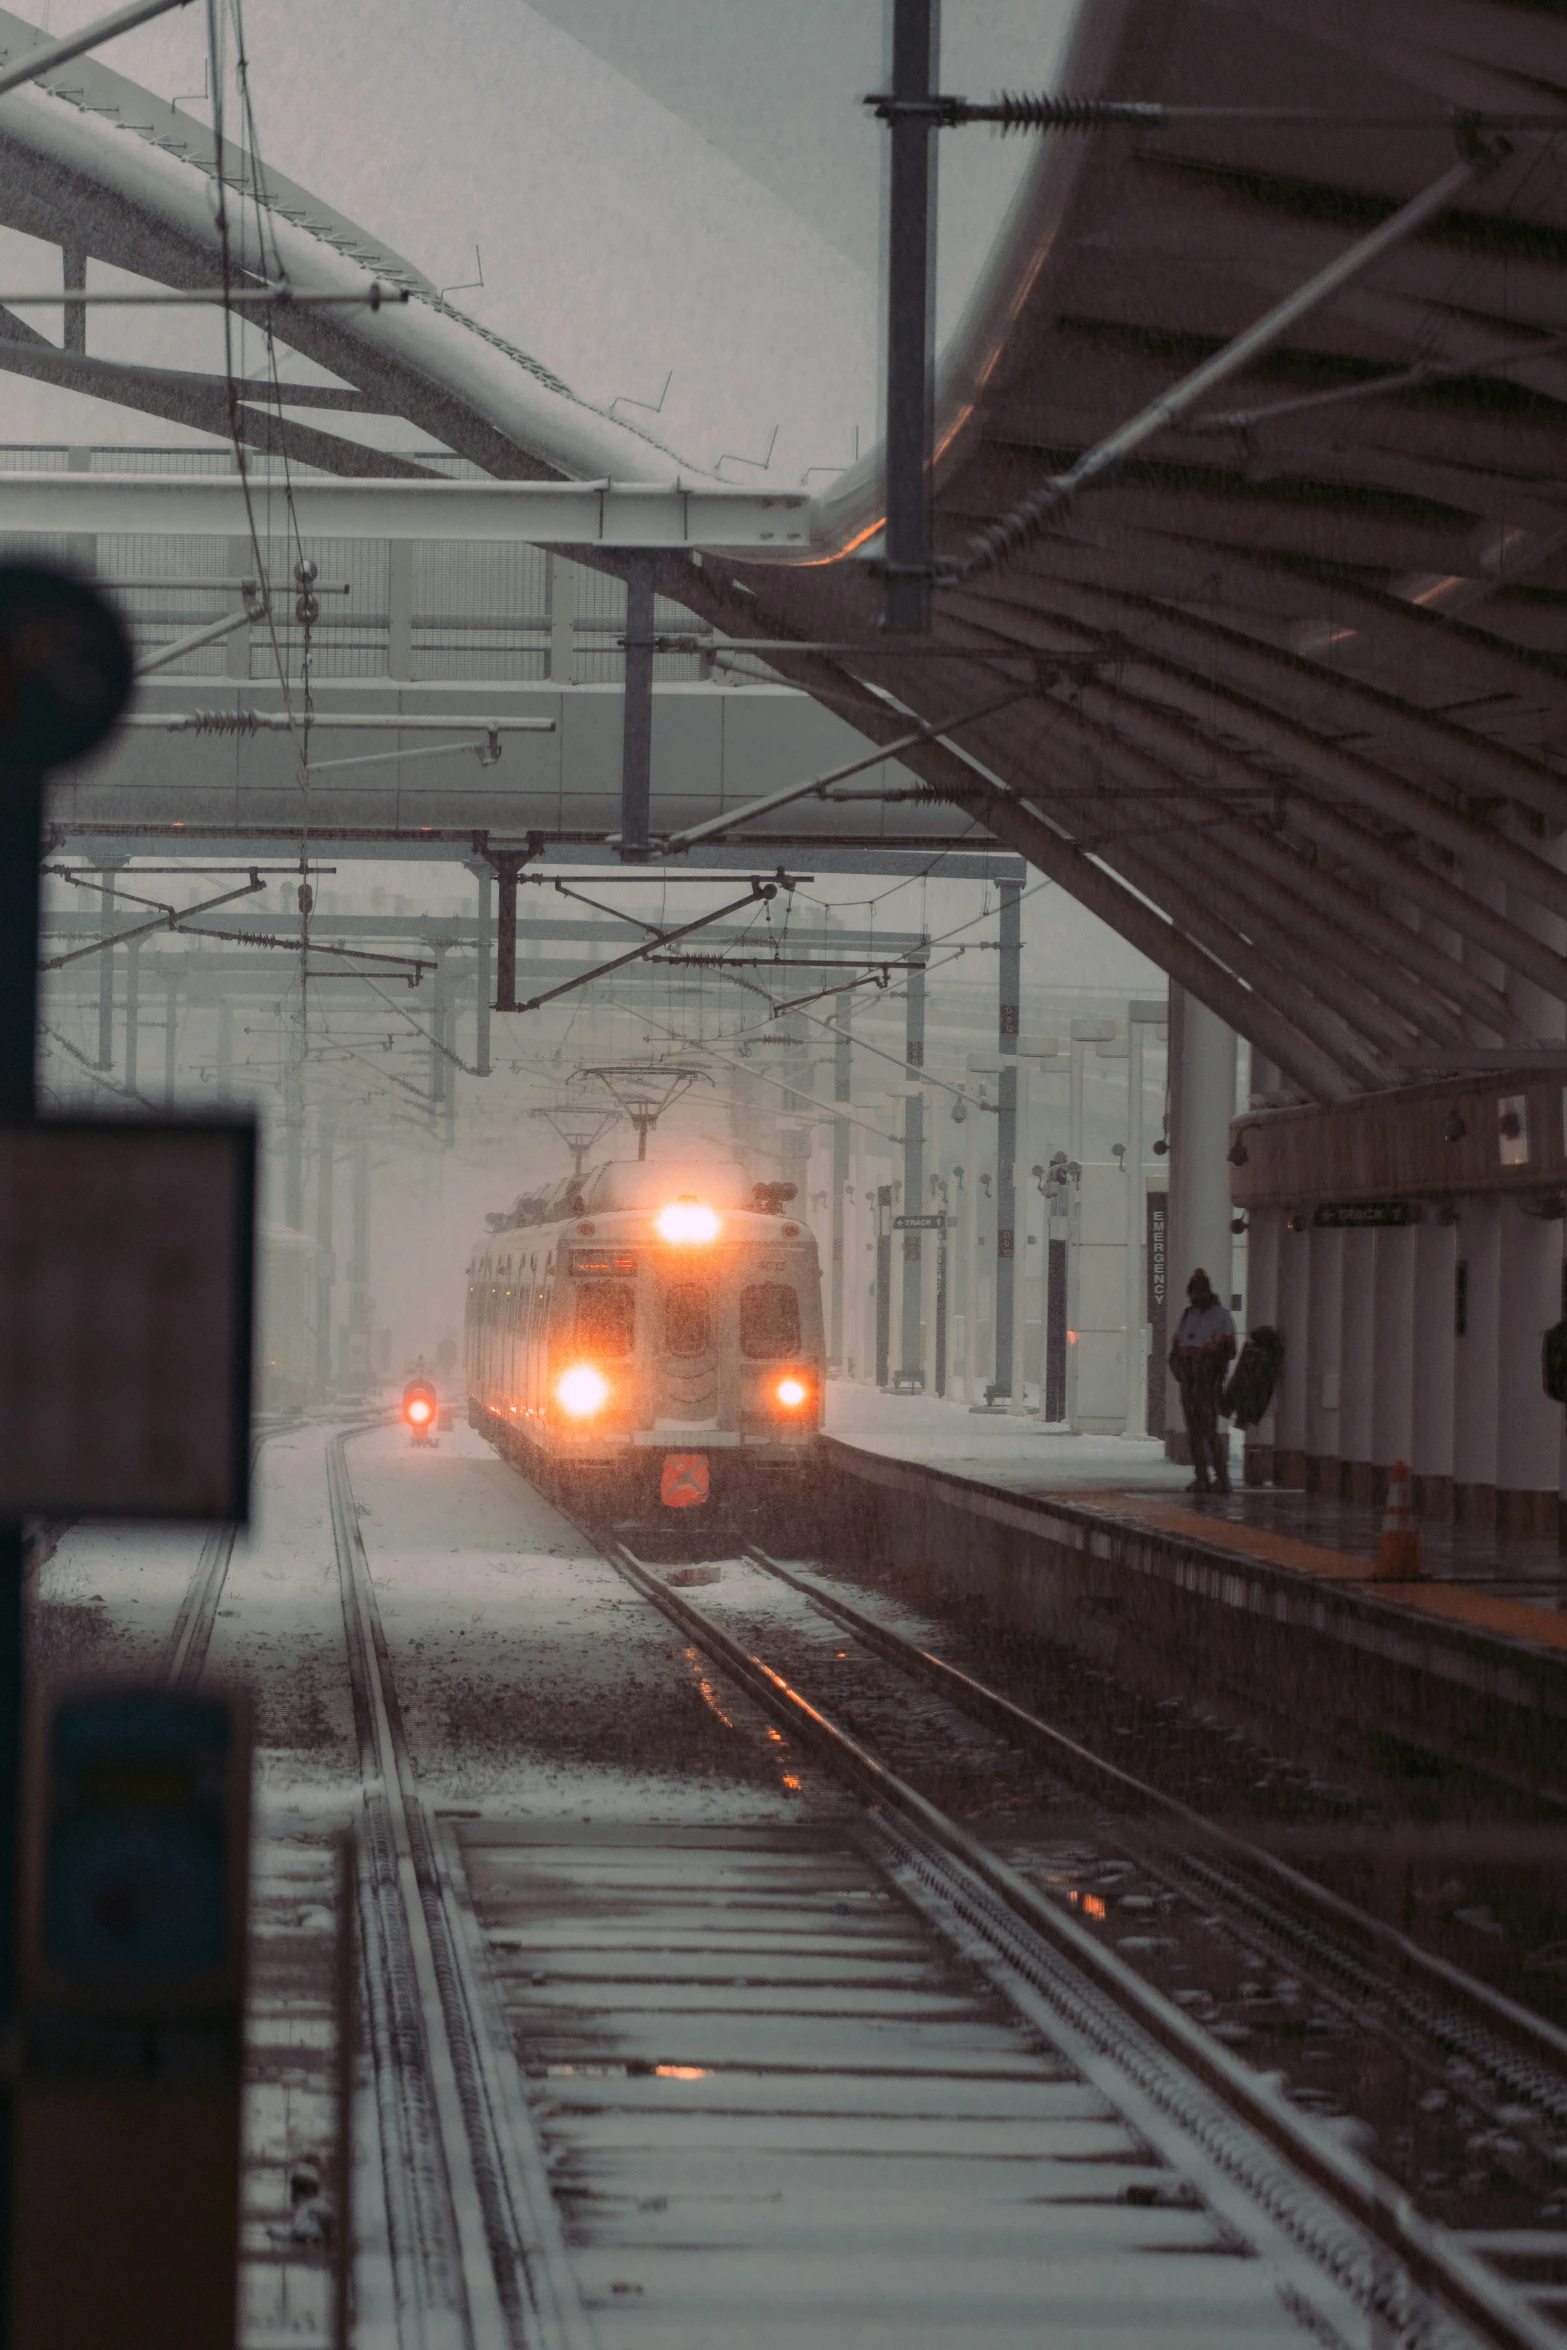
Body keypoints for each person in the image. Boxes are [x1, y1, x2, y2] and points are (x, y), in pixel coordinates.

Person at [1169, 1267, 1237, 1496]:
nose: (1195, 1298)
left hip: (1207, 1383)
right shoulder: (1189, 1315)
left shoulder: (1221, 1317)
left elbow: (1229, 1350)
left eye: (1198, 1293)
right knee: (1194, 1432)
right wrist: (1180, 1371)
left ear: (1206, 1292)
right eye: (1192, 1294)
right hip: (1188, 1382)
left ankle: (1222, 1477)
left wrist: (1208, 1368)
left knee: (1209, 1431)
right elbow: (1176, 1348)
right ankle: (1201, 1477)